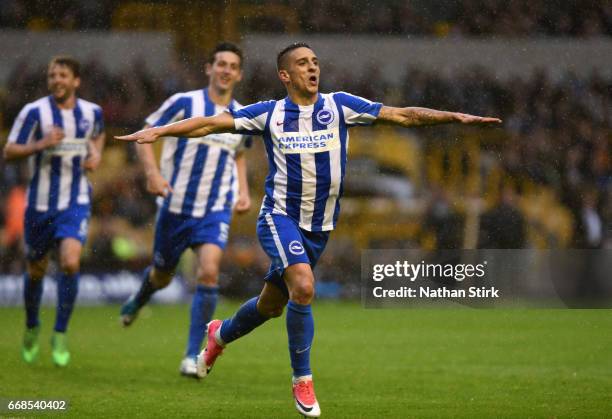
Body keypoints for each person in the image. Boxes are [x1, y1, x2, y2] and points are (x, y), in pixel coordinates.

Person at [116, 42, 501, 417]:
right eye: (302, 63)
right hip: (279, 217)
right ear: (285, 75)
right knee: (303, 286)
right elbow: (210, 124)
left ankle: (218, 336)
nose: (312, 67)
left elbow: (402, 115)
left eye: (315, 61)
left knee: (270, 305)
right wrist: (160, 132)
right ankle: (302, 379)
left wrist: (455, 116)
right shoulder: (269, 114)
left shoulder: (338, 106)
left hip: (320, 227)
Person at [119, 42, 252, 378]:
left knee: (208, 271)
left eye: (232, 65)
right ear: (209, 69)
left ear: (239, 74)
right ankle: (141, 296)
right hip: (175, 207)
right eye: (220, 63)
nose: (225, 69)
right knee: (162, 276)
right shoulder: (183, 103)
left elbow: (239, 152)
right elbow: (146, 135)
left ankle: (193, 354)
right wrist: (152, 174)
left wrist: (244, 191)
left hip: (215, 208)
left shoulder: (242, 114)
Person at [3, 56, 105, 367]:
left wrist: (97, 154)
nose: (56, 79)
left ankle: (60, 332)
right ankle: (32, 325)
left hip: (75, 202)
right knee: (35, 270)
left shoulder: (91, 113)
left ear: (76, 81)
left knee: (71, 262)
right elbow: (8, 152)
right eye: (52, 75)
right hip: (40, 205)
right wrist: (41, 144)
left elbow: (98, 134)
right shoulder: (34, 112)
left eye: (63, 75)